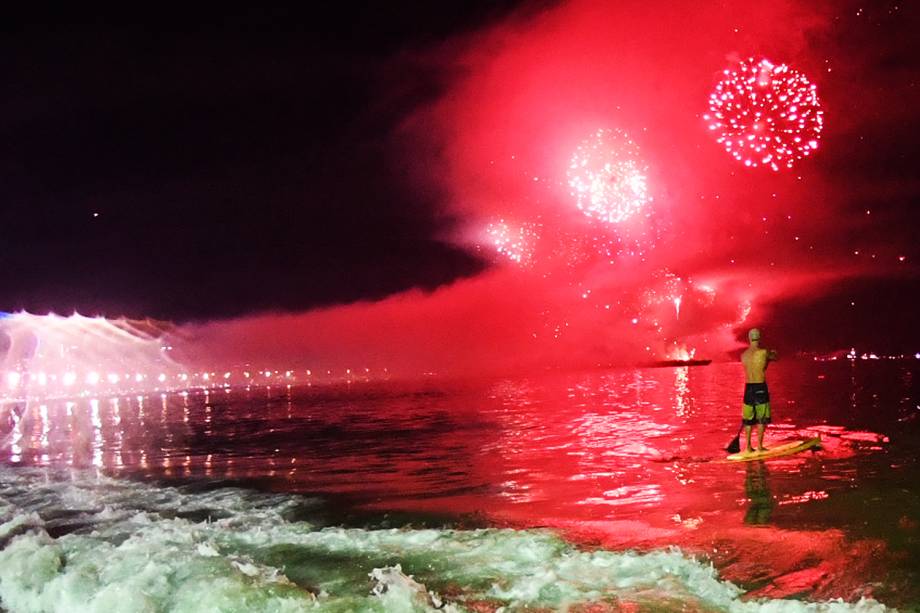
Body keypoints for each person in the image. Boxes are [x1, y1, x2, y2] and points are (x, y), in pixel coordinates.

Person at [740, 328, 777, 453]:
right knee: (761, 418)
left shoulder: (743, 355)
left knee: (748, 419)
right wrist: (772, 354)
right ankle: (760, 447)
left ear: (749, 338)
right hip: (760, 386)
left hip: (748, 388)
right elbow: (774, 358)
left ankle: (748, 447)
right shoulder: (763, 352)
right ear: (759, 338)